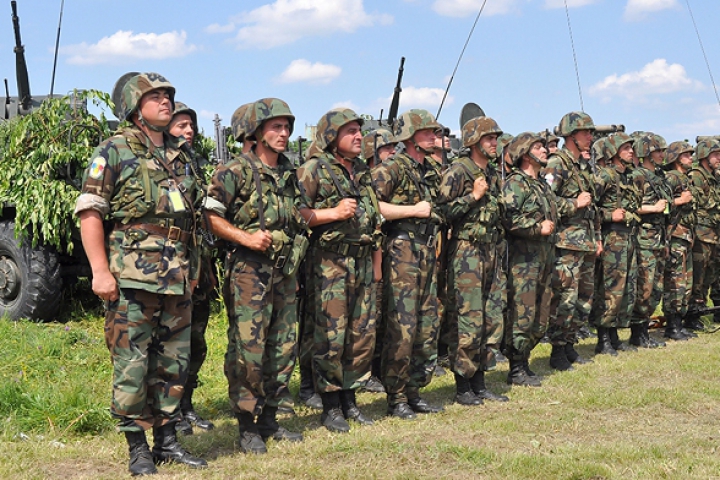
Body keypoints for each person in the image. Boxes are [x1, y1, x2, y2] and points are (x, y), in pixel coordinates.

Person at [74, 73, 207, 475]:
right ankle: (138, 449)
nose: (166, 101)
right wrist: (100, 271)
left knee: (173, 362)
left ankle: (167, 441)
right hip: (131, 274)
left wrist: (195, 270)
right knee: (132, 363)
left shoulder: (181, 154)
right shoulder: (113, 150)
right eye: (156, 96)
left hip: (177, 275)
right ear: (134, 106)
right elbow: (91, 212)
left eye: (168, 95)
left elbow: (194, 218)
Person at [205, 98, 307, 454]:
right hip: (249, 270)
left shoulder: (289, 173)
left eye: (286, 127)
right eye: (275, 127)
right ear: (257, 131)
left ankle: (271, 418)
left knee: (283, 347)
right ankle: (247, 424)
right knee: (249, 348)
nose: (283, 133)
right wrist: (245, 236)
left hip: (284, 271)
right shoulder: (234, 172)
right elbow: (211, 217)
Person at [296, 108, 383, 432]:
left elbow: (373, 217)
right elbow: (295, 214)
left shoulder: (361, 171)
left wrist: (376, 263)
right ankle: (330, 405)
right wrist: (332, 213)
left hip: (361, 260)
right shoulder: (313, 169)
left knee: (361, 334)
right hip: (330, 263)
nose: (359, 136)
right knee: (331, 336)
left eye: (359, 130)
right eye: (350, 131)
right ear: (332, 136)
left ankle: (350, 400)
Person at [373, 109, 445, 419]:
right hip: (401, 251)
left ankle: (415, 389)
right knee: (402, 326)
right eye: (427, 132)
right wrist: (413, 211)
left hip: (427, 251)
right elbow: (373, 207)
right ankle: (396, 396)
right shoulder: (391, 169)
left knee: (427, 324)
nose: (434, 137)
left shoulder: (430, 170)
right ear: (410, 136)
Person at [437, 115, 509, 405]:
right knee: (468, 317)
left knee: (491, 317)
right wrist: (472, 197)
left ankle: (480, 380)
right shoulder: (458, 171)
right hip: (466, 252)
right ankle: (463, 385)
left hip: (491, 250)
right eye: (489, 139)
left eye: (495, 138)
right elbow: (441, 213)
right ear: (474, 142)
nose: (495, 143)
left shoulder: (492, 173)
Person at [501, 132, 580, 387]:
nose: (545, 150)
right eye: (538, 147)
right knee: (522, 314)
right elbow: (508, 219)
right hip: (524, 262)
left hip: (545, 258)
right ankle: (516, 367)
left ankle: (524, 360)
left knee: (541, 315)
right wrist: (536, 227)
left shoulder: (542, 185)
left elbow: (556, 210)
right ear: (525, 154)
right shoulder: (516, 183)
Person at [167, 102, 217, 435]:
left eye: (191, 126)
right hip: (170, 266)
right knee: (173, 341)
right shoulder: (157, 164)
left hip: (199, 263)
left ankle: (187, 406)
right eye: (182, 125)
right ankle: (170, 413)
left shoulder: (192, 165)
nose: (189, 131)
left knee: (196, 339)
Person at [542, 112, 599, 371]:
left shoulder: (580, 165)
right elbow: (545, 201)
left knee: (583, 299)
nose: (590, 137)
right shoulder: (557, 163)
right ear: (572, 136)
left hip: (584, 243)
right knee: (565, 298)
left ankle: (569, 345)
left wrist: (596, 238)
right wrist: (574, 203)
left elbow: (593, 207)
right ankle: (557, 351)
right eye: (586, 132)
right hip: (566, 244)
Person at [594, 133, 643, 355]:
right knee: (610, 287)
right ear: (613, 152)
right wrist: (608, 215)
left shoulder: (629, 176)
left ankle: (614, 334)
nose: (631, 151)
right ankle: (603, 337)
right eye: (625, 148)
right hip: (612, 236)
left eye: (631, 148)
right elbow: (589, 208)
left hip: (630, 236)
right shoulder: (604, 176)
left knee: (626, 287)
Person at [361, 127, 397, 394]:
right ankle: (367, 371)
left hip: (387, 251)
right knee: (370, 316)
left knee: (383, 313)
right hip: (370, 253)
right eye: (386, 148)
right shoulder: (373, 178)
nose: (392, 152)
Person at [627, 133, 670, 348]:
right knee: (644, 286)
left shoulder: (660, 177)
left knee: (656, 288)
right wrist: (652, 208)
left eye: (662, 151)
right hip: (644, 239)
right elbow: (628, 206)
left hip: (660, 237)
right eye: (657, 151)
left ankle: (644, 330)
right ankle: (638, 332)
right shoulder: (637, 176)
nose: (662, 155)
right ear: (646, 153)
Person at [662, 140, 696, 340]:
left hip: (685, 236)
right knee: (675, 281)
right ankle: (672, 326)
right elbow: (662, 208)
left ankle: (679, 323)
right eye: (686, 155)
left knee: (685, 281)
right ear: (675, 158)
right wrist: (679, 201)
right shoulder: (671, 178)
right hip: (674, 236)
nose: (690, 158)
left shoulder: (684, 178)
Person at [687, 138, 720, 327]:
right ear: (704, 156)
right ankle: (692, 315)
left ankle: (704, 310)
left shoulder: (714, 177)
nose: (718, 158)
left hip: (713, 234)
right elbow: (695, 205)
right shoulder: (696, 176)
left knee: (710, 275)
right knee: (698, 277)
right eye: (715, 155)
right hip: (701, 234)